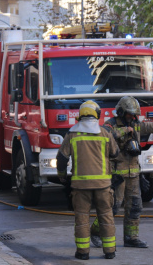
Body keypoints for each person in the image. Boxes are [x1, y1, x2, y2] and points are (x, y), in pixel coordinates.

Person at [90, 96, 153, 248]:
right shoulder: (110, 124)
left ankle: (131, 238)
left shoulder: (136, 124)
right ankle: (96, 232)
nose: (132, 117)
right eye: (130, 114)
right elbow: (105, 136)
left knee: (135, 206)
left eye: (134, 114)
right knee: (113, 206)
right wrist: (125, 130)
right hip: (117, 175)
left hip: (133, 174)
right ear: (121, 112)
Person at [56, 100, 119, 260]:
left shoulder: (71, 134)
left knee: (82, 218)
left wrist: (62, 176)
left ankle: (83, 253)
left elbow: (62, 159)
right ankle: (110, 251)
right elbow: (115, 154)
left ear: (80, 116)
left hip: (80, 185)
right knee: (106, 216)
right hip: (103, 185)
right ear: (97, 115)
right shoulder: (105, 133)